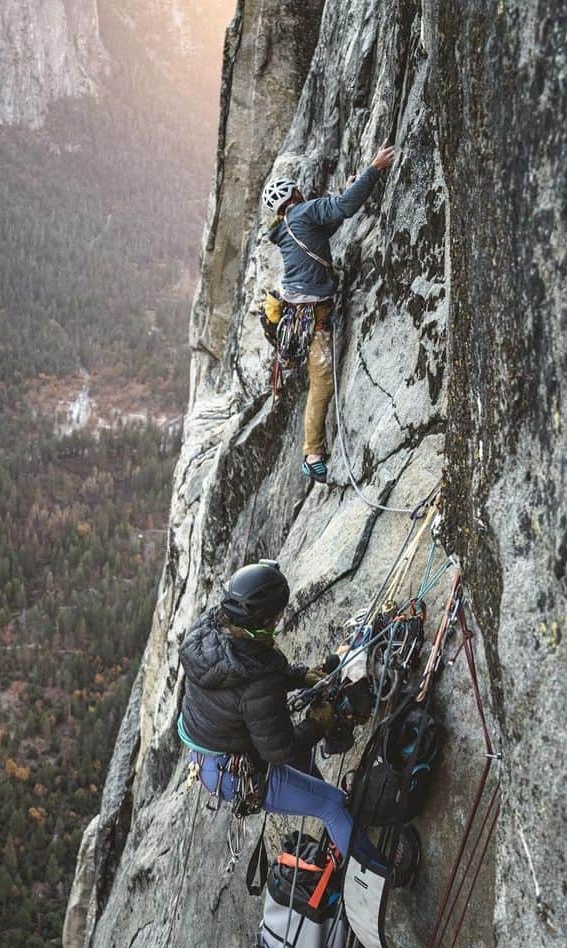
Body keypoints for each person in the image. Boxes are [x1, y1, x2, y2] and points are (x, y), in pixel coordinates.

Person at [177, 560, 380, 865]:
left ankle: (343, 825)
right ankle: (379, 874)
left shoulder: (208, 631)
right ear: (265, 620)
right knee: (331, 804)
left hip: (210, 751)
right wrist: (317, 723)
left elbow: (241, 678)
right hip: (235, 773)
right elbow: (279, 748)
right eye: (277, 615)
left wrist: (300, 676)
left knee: (306, 765)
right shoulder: (257, 680)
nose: (280, 619)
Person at [262, 143, 397, 484]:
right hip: (311, 316)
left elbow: (327, 227)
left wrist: (351, 187)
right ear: (294, 194)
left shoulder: (293, 224)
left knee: (318, 380)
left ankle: (312, 451)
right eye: (297, 190)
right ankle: (312, 454)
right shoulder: (305, 212)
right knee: (322, 383)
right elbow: (344, 208)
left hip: (298, 314)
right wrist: (375, 169)